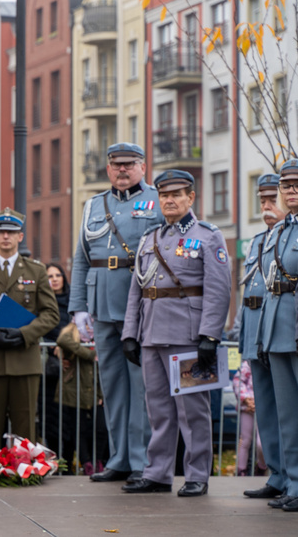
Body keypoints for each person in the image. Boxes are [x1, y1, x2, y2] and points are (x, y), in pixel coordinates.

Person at [121, 169, 231, 497]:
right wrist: (130, 333)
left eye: (177, 194)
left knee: (193, 410)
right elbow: (136, 290)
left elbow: (218, 290)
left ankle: (197, 474)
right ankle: (158, 473)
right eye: (164, 195)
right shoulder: (150, 238)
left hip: (188, 334)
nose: (169, 200)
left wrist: (210, 335)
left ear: (191, 197)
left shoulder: (208, 236)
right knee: (158, 409)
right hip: (152, 333)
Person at [69, 143, 163, 484]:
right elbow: (80, 258)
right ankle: (119, 457)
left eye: (129, 164)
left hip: (139, 306)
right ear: (108, 168)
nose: (122, 170)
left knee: (141, 388)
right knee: (112, 386)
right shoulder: (94, 204)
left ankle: (141, 460)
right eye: (116, 165)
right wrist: (78, 307)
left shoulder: (155, 201)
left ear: (142, 166)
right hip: (101, 305)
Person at [0, 208, 59, 449]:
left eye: (11, 232)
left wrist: (24, 334)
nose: (6, 236)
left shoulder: (36, 271)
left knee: (25, 429)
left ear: (20, 237)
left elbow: (51, 314)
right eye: (1, 232)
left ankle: (25, 478)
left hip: (24, 360)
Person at [237, 173, 286, 499]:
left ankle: (291, 477)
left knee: (287, 411)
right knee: (266, 409)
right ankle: (278, 475)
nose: (267, 207)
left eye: (272, 200)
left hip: (280, 331)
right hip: (256, 331)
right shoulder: (257, 241)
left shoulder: (288, 239)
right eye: (263, 201)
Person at [256, 159, 298, 511]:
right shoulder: (282, 231)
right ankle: (294, 484)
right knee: (288, 416)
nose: (291, 191)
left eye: (297, 185)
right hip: (279, 332)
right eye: (286, 186)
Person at [54, 321, 98, 475]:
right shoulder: (72, 330)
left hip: (93, 389)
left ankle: (96, 460)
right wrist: (90, 354)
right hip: (74, 389)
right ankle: (86, 462)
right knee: (77, 428)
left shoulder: (97, 331)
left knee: (99, 428)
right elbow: (62, 340)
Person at [40, 262, 71, 454]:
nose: (54, 279)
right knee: (50, 417)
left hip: (71, 368)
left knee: (69, 418)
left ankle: (68, 461)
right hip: (49, 369)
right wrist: (54, 350)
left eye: (58, 275)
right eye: (50, 276)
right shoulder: (42, 303)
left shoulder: (73, 303)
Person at [232, 360, 266, 476]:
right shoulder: (247, 365)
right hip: (247, 408)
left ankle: (262, 466)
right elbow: (237, 381)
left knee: (261, 443)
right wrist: (246, 399)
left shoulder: (268, 365)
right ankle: (241, 469)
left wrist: (260, 402)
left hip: (263, 407)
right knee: (245, 440)